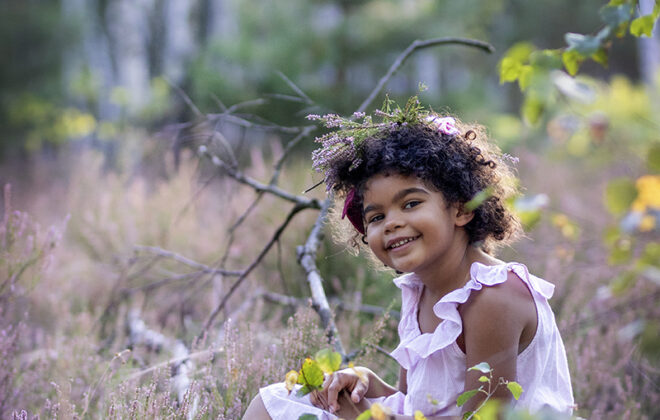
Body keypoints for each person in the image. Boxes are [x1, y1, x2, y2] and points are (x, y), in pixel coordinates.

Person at [243, 97, 574, 419]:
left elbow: (486, 417)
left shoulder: (493, 298)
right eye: (375, 217)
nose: (392, 223)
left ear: (460, 208)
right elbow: (417, 404)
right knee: (279, 400)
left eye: (411, 203)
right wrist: (368, 383)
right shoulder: (420, 290)